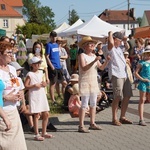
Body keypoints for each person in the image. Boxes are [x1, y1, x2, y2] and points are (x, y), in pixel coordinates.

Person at [78, 36, 109, 133]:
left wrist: (107, 61)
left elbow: (101, 68)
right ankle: (81, 125)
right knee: (84, 104)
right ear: (85, 46)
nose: (92, 46)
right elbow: (84, 68)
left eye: (92, 44)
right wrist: (94, 61)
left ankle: (92, 123)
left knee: (93, 103)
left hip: (93, 82)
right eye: (90, 44)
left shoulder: (94, 56)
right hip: (85, 81)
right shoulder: (82, 55)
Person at [0, 41, 27, 150]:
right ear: (0, 55)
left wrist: (20, 93)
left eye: (12, 52)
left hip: (14, 111)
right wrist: (6, 97)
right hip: (3, 113)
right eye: (8, 52)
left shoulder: (11, 69)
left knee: (19, 145)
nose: (12, 55)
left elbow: (16, 85)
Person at [107, 31, 133, 126]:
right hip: (116, 74)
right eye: (119, 40)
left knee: (127, 95)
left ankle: (122, 117)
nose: (121, 41)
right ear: (114, 40)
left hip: (124, 74)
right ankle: (114, 118)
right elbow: (110, 44)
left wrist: (125, 41)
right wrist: (110, 34)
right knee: (117, 96)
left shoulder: (120, 48)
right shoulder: (111, 48)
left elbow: (128, 47)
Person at [24, 56, 53, 141]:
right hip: (34, 95)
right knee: (36, 114)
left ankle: (44, 132)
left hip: (41, 94)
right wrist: (33, 85)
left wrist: (44, 84)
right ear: (32, 65)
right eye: (37, 63)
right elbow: (25, 86)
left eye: (39, 63)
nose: (39, 65)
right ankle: (36, 133)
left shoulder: (41, 72)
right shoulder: (30, 74)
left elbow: (44, 82)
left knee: (46, 113)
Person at [45, 31, 66, 105]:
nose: (54, 38)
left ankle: (64, 97)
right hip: (53, 67)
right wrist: (51, 66)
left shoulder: (57, 45)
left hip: (59, 67)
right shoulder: (48, 45)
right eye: (53, 36)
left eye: (55, 36)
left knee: (64, 82)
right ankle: (53, 100)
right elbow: (47, 56)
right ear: (50, 37)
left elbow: (63, 43)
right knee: (53, 84)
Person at [135, 45, 150, 126]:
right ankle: (141, 119)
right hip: (143, 83)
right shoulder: (142, 63)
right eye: (147, 53)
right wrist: (142, 79)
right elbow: (136, 73)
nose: (148, 55)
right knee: (142, 100)